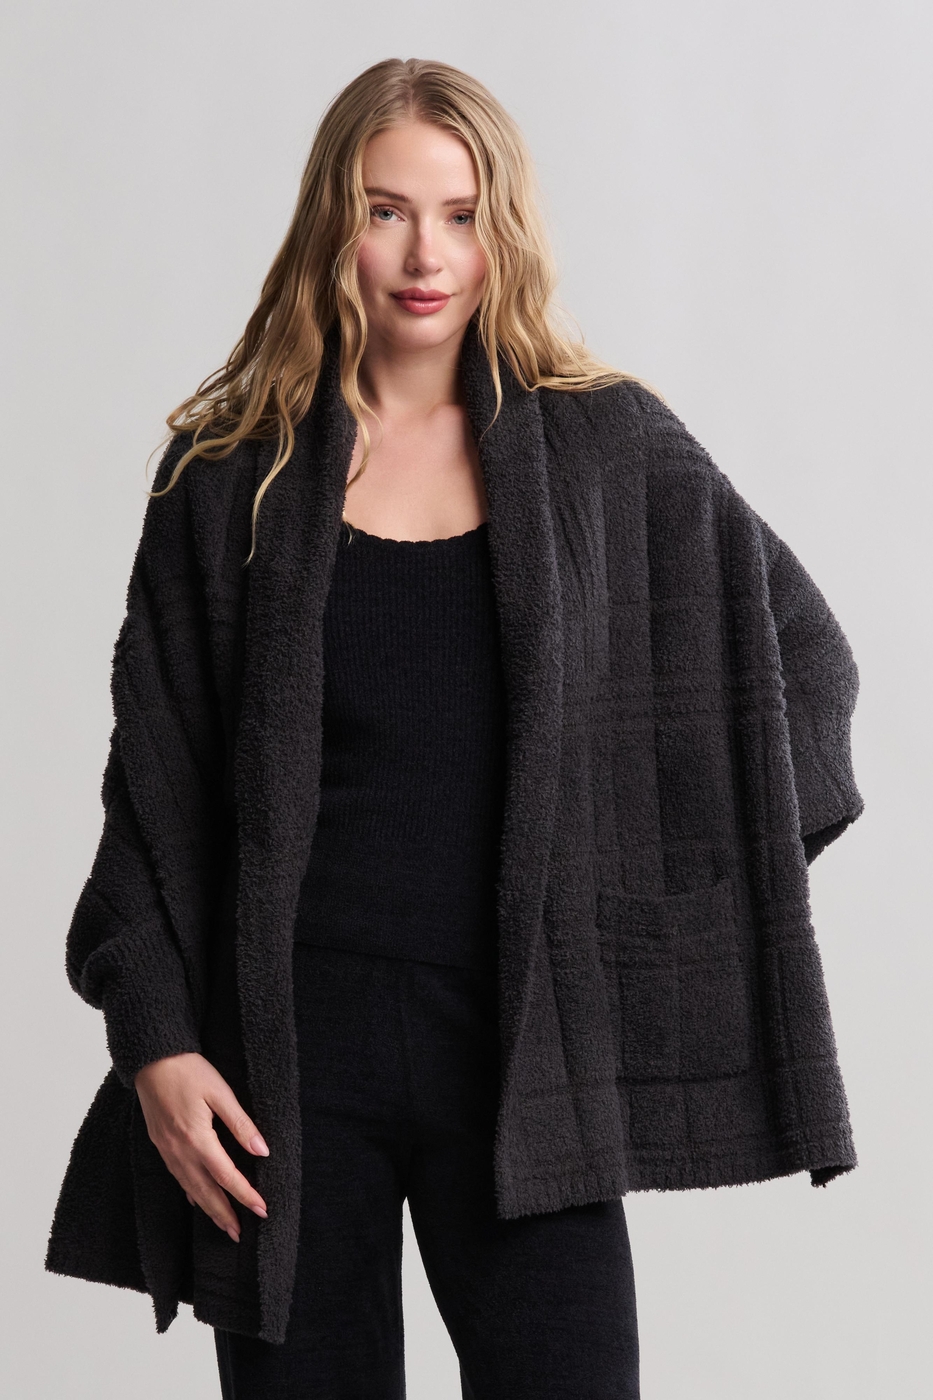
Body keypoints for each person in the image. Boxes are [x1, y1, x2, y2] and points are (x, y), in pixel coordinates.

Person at [45, 57, 863, 1400]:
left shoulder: (605, 449)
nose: (426, 256)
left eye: (462, 214)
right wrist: (157, 1041)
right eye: (386, 211)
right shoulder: (228, 475)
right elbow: (153, 789)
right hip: (286, 1066)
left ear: (503, 229)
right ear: (334, 224)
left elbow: (803, 668)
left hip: (524, 1054)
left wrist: (671, 907)